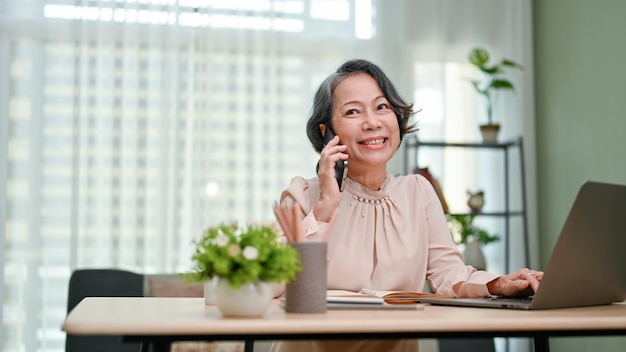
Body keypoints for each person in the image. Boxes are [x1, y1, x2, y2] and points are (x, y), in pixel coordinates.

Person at [272, 59, 543, 352]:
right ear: (327, 132)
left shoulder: (417, 192)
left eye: (382, 107)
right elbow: (272, 285)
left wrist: (499, 284)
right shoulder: (302, 194)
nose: (372, 122)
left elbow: (448, 276)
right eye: (352, 111)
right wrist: (325, 206)